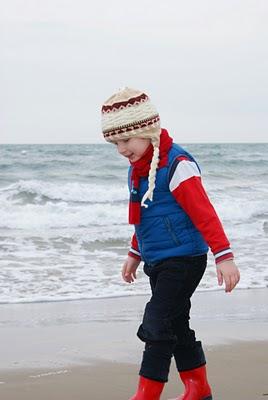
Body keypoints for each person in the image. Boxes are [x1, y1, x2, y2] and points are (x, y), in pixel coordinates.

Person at [101, 87, 240, 400]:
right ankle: (198, 388)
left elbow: (204, 213)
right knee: (176, 324)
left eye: (125, 140)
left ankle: (146, 394)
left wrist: (224, 256)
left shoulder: (177, 165)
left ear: (146, 131)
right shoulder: (137, 170)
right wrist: (135, 253)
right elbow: (144, 216)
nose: (121, 149)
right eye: (115, 143)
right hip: (158, 260)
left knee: (157, 322)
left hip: (185, 259)